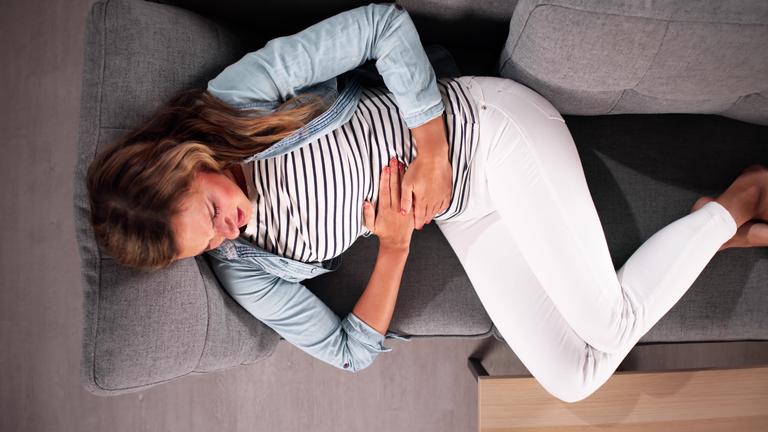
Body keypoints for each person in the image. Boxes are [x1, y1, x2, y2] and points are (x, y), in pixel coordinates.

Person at [85, 3, 768, 402]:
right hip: (465, 210)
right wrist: (396, 245)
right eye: (200, 246)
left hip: (484, 130)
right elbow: (351, 351)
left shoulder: (237, 101)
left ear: (187, 163)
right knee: (574, 376)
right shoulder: (245, 266)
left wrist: (432, 149)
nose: (223, 233)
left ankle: (736, 206)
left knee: (608, 319)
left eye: (207, 212)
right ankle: (708, 233)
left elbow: (382, 24)